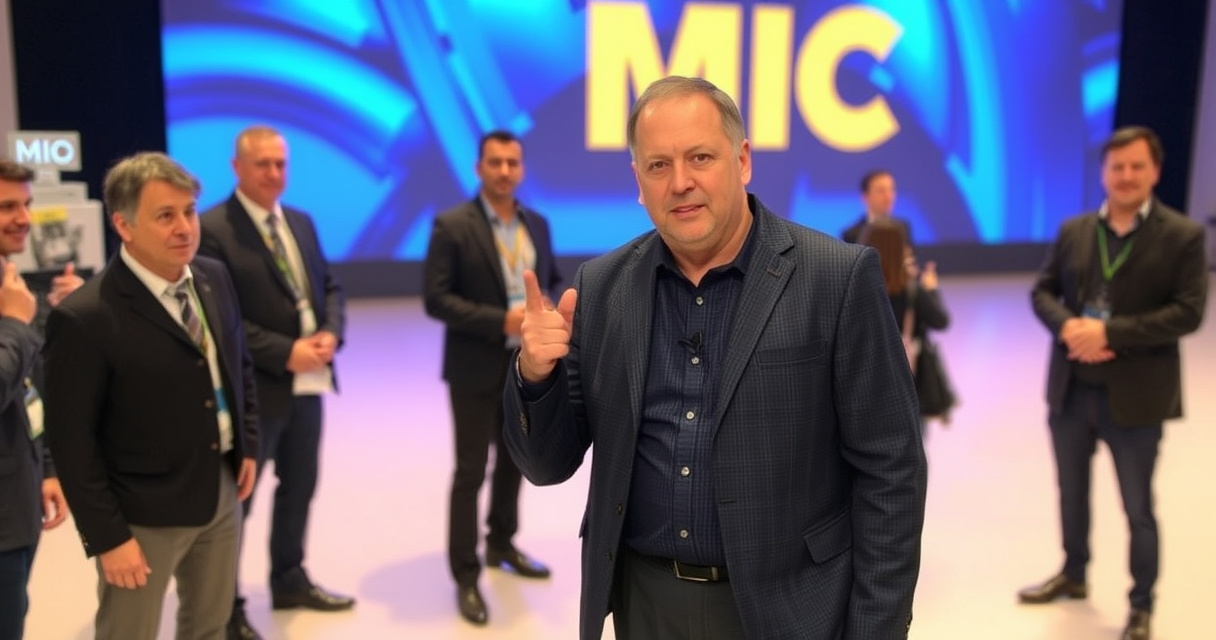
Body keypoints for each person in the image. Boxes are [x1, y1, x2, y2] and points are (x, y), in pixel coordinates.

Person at [505, 76, 927, 640]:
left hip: (790, 609)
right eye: (658, 165)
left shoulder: (836, 278)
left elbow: (891, 470)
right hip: (645, 604)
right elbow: (546, 465)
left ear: (743, 160)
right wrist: (535, 376)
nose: (680, 182)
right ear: (638, 181)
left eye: (700, 157)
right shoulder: (601, 288)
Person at [42, 152, 259, 640]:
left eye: (189, 211)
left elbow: (238, 366)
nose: (184, 227)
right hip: (142, 515)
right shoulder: (86, 316)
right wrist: (108, 537)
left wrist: (246, 442)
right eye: (165, 216)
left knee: (210, 628)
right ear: (124, 225)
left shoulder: (214, 278)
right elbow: (72, 442)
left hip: (221, 491)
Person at [1021, 126, 1207, 640]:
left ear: (1155, 171)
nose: (1126, 176)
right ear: (1103, 173)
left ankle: (1141, 605)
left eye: (1136, 166)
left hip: (1136, 398)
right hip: (1071, 390)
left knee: (1138, 508)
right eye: (1117, 167)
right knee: (1071, 493)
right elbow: (1042, 292)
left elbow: (1189, 312)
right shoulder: (1075, 230)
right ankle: (1074, 573)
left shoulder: (1183, 236)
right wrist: (1069, 327)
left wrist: (1109, 333)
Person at [199, 125, 352, 640]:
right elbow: (222, 317)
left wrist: (331, 332)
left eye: (280, 164)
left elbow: (329, 286)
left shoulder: (301, 222)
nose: (273, 173)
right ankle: (226, 607)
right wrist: (286, 351)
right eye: (262, 164)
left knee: (299, 486)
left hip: (309, 384)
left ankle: (289, 579)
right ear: (237, 167)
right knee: (239, 503)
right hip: (255, 392)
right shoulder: (213, 229)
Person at [423, 129, 562, 626]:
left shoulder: (537, 224)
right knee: (469, 471)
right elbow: (436, 299)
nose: (505, 171)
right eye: (495, 162)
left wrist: (546, 306)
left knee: (514, 461)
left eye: (512, 163)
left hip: (524, 366)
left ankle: (501, 543)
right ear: (478, 167)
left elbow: (550, 278)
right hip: (474, 367)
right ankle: (465, 574)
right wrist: (499, 320)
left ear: (521, 168)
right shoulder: (451, 225)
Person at [0, 159, 71, 640]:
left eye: (26, 204)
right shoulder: (14, 302)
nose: (24, 218)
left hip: (18, 499)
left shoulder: (10, 280)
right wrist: (15, 324)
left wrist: (46, 466)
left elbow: (27, 383)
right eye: (8, 206)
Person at [858, 219, 953, 427]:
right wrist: (931, 290)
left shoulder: (857, 289)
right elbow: (941, 321)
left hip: (867, 382)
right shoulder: (912, 290)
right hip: (908, 380)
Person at [841, 169, 913, 244]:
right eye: (881, 191)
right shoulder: (851, 235)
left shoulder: (902, 228)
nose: (888, 197)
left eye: (891, 189)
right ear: (865, 197)